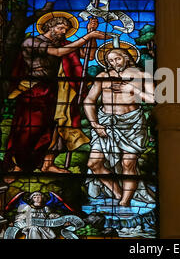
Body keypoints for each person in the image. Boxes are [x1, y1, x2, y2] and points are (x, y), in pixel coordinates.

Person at [3, 13, 108, 174]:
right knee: (29, 128)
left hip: (55, 90)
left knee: (55, 127)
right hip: (33, 89)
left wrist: (91, 33)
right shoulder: (32, 41)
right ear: (49, 26)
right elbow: (58, 53)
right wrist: (88, 36)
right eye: (60, 28)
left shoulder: (63, 44)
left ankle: (47, 164)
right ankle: (16, 165)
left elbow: (88, 55)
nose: (63, 32)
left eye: (65, 29)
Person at [84, 48, 155, 207]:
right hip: (105, 124)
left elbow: (153, 99)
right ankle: (117, 192)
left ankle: (124, 201)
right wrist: (95, 124)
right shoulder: (102, 77)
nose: (114, 63)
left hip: (132, 124)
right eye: (110, 61)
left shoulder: (144, 75)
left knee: (128, 164)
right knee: (94, 164)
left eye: (117, 59)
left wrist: (133, 89)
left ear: (126, 58)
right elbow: (89, 101)